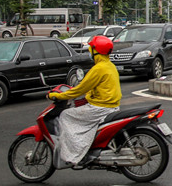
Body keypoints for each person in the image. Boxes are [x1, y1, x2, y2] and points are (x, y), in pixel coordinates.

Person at [46, 35, 121, 168]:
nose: (89, 51)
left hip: (99, 108)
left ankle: (74, 154)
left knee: (65, 115)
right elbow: (98, 88)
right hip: (111, 106)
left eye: (91, 48)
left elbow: (79, 90)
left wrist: (58, 96)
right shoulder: (110, 66)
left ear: (96, 51)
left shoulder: (98, 69)